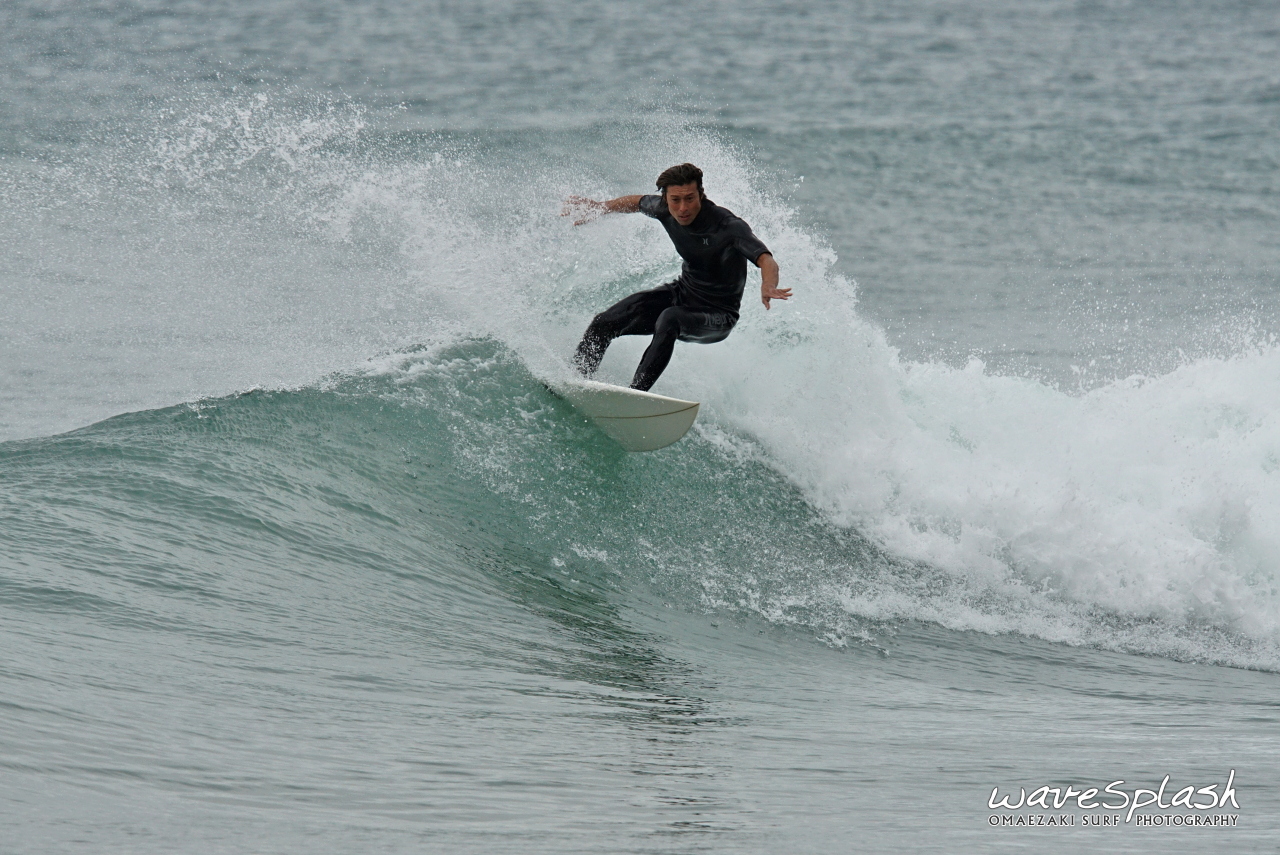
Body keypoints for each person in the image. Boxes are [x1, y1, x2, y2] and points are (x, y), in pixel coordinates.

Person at [565, 163, 789, 391]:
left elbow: (766, 260)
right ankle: (575, 382)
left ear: (701, 195)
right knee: (603, 322)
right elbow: (637, 202)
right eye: (675, 200)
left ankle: (635, 396)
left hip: (719, 314)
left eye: (690, 199)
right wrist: (600, 208)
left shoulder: (727, 226)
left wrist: (768, 284)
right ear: (666, 199)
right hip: (682, 294)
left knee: (670, 318)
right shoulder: (664, 209)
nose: (683, 208)